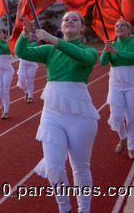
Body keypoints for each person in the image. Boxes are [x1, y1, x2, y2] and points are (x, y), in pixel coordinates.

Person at [15, 12, 99, 213]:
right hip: (52, 113)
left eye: (75, 19)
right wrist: (25, 33)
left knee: (80, 167)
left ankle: (84, 209)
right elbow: (21, 52)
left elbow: (83, 58)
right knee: (53, 165)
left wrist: (53, 39)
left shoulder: (89, 51)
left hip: (80, 114)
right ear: (61, 27)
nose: (70, 21)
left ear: (82, 28)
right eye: (66, 19)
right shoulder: (49, 51)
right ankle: (64, 209)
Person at [100, 19, 134, 160]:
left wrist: (118, 52)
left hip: (132, 83)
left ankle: (132, 147)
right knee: (116, 117)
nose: (119, 27)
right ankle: (123, 137)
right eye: (117, 26)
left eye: (122, 25)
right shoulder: (112, 44)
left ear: (128, 29)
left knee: (132, 116)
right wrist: (107, 51)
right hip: (116, 83)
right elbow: (103, 62)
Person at [16, 33, 38, 103]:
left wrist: (22, 43)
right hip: (22, 65)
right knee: (21, 81)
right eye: (28, 35)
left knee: (30, 81)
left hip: (31, 65)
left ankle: (30, 96)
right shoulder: (22, 43)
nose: (29, 36)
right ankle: (26, 91)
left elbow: (27, 47)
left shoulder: (34, 43)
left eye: (31, 35)